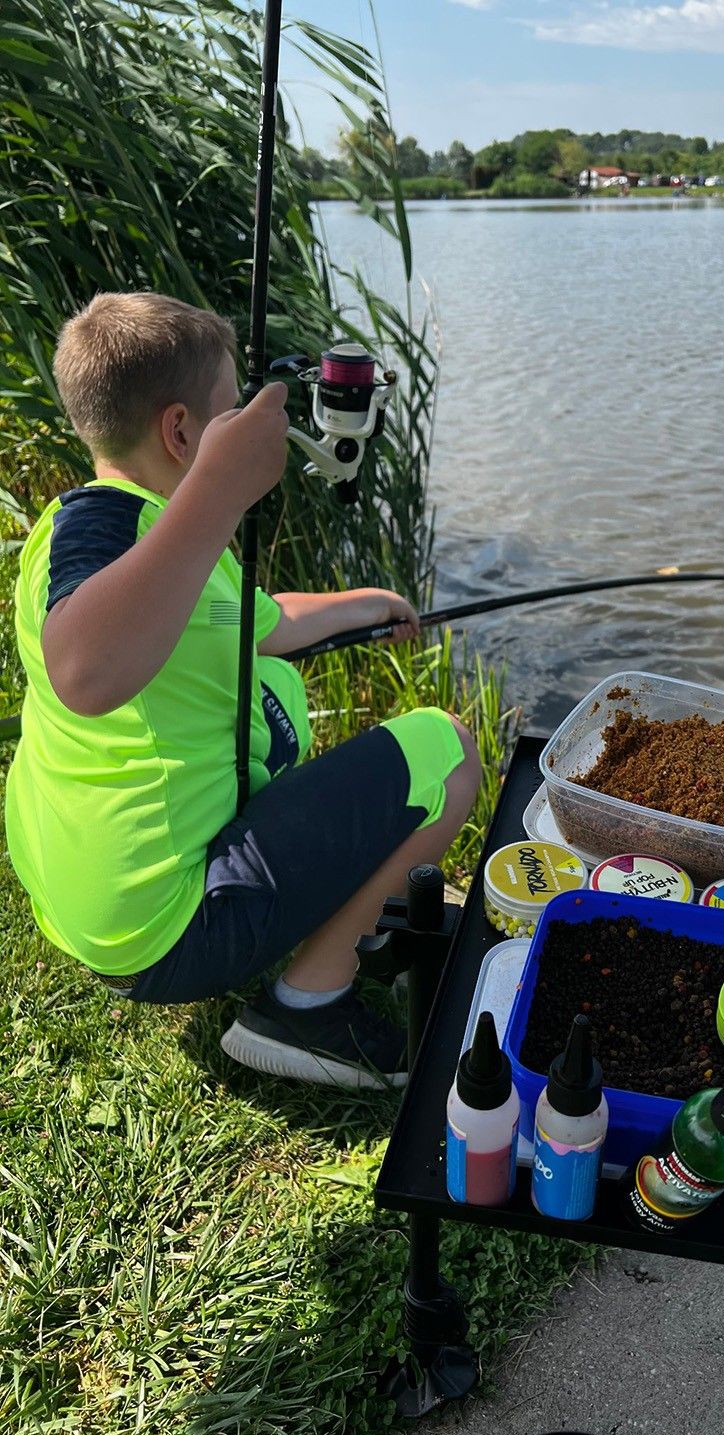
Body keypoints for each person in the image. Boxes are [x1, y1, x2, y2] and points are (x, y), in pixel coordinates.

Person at [5, 292, 481, 1089]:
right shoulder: (107, 532)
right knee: (446, 752)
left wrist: (372, 604)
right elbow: (85, 670)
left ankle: (352, 916)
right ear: (183, 433)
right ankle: (305, 1006)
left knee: (280, 687)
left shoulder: (130, 533)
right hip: (166, 930)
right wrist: (220, 489)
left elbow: (260, 620)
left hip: (101, 913)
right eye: (233, 414)